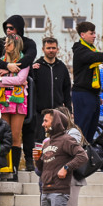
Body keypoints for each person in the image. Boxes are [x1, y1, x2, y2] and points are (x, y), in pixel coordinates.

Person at [28, 37, 72, 172]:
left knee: (57, 141)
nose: (51, 51)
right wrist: (31, 69)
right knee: (39, 139)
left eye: (53, 48)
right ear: (43, 49)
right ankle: (38, 166)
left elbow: (66, 90)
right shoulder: (36, 66)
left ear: (57, 49)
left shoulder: (62, 67)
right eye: (48, 48)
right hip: (39, 111)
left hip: (58, 112)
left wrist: (69, 111)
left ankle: (56, 164)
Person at [0, 33, 32, 174]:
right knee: (3, 134)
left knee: (15, 135)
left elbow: (20, 80)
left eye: (8, 43)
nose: (5, 46)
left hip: (18, 100)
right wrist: (6, 73)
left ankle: (14, 168)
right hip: (2, 100)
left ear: (16, 45)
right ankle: (3, 167)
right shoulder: (1, 60)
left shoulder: (23, 61)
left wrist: (3, 78)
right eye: (5, 43)